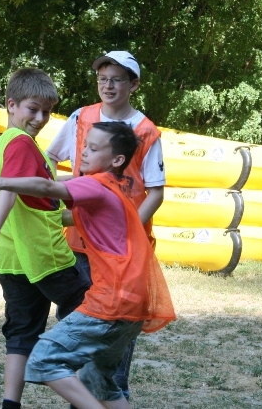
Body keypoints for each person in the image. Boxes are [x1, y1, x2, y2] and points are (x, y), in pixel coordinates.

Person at [0, 121, 175, 408]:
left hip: (112, 302)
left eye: (95, 149)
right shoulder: (113, 189)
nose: (84, 152)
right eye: (85, 145)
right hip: (133, 304)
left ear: (117, 160)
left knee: (43, 359)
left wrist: (2, 181)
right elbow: (58, 203)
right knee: (101, 383)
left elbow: (48, 186)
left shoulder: (95, 186)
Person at [0, 68, 90, 409]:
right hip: (45, 257)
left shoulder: (5, 145)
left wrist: (88, 218)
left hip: (14, 260)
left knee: (20, 334)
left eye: (46, 112)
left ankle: (10, 404)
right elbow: (9, 194)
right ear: (12, 106)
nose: (40, 118)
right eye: (33, 109)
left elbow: (38, 206)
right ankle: (84, 395)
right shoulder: (21, 143)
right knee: (92, 314)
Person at [45, 50, 165, 398]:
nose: (108, 86)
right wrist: (56, 200)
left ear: (133, 84)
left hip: (122, 254)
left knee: (114, 335)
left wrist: (128, 233)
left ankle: (113, 395)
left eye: (116, 79)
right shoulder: (82, 118)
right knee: (78, 328)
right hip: (80, 246)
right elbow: (52, 157)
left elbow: (156, 193)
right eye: (103, 79)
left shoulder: (146, 131)